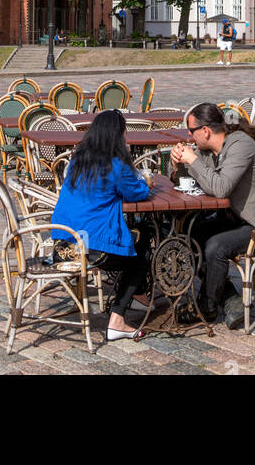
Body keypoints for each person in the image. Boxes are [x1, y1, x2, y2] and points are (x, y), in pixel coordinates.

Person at [170, 102, 255, 329]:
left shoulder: (240, 145)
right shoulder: (210, 151)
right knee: (190, 231)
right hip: (241, 218)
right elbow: (188, 180)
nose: (188, 135)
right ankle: (230, 298)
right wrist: (176, 162)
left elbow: (220, 188)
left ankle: (206, 308)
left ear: (205, 131)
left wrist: (192, 160)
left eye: (191, 130)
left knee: (216, 246)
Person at [51, 110, 152, 341]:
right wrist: (144, 178)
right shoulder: (115, 164)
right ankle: (119, 317)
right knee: (141, 250)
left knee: (134, 241)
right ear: (119, 135)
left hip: (62, 245)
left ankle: (139, 295)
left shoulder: (78, 159)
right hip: (92, 250)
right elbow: (138, 192)